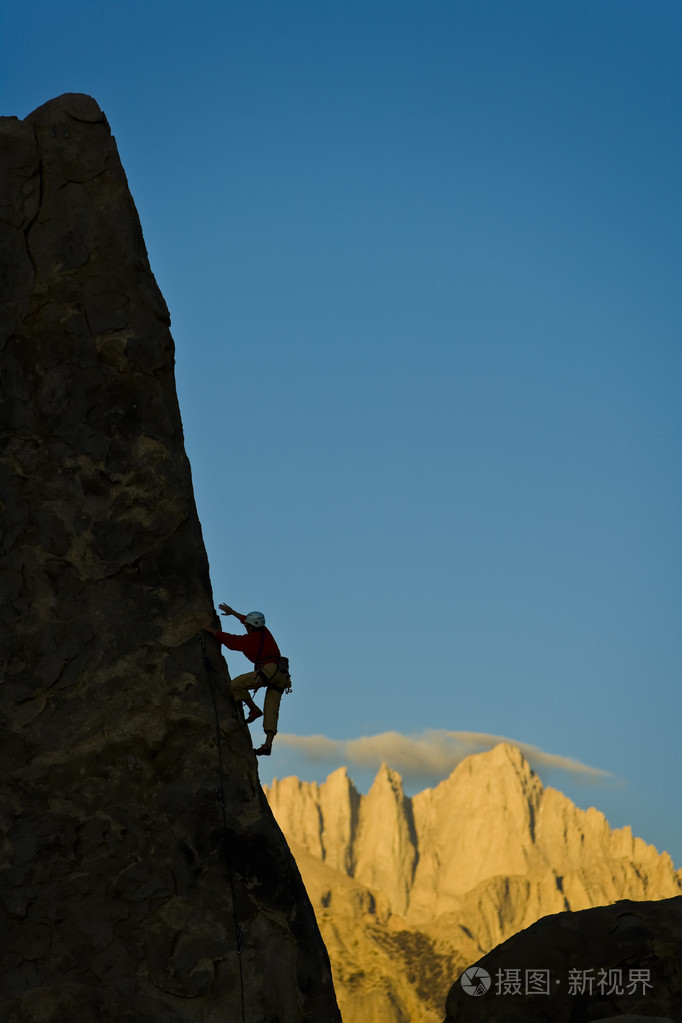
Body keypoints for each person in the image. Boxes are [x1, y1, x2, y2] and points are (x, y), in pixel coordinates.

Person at [203, 603, 286, 756]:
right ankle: (267, 745)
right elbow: (246, 620)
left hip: (268, 671)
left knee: (236, 685)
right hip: (282, 676)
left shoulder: (251, 640)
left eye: (247, 625)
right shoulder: (265, 632)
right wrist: (233, 612)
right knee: (272, 710)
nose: (245, 627)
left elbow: (231, 641)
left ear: (251, 626)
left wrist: (211, 630)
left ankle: (253, 709)